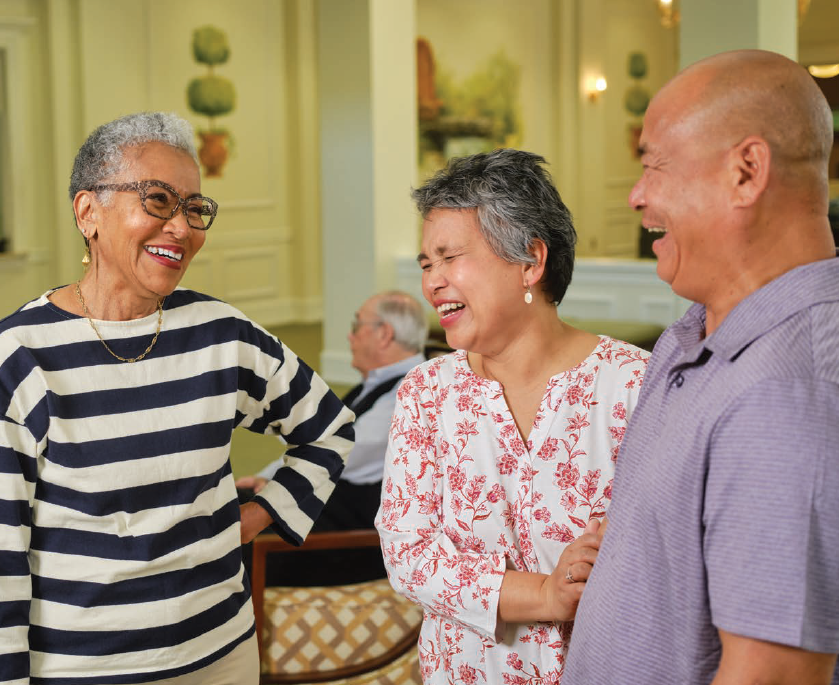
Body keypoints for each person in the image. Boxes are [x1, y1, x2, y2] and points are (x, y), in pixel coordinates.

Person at [0, 112, 354, 684]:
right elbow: (2, 556)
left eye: (194, 208)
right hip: (82, 669)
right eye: (158, 200)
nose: (182, 227)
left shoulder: (222, 333)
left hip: (222, 653)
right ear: (88, 212)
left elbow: (328, 428)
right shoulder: (21, 356)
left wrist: (253, 518)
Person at [564, 50, 839, 685]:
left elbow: (774, 676)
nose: (636, 195)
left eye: (654, 165)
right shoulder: (695, 333)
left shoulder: (786, 391)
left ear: (747, 172)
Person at [375, 148, 650, 684]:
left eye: (450, 257)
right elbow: (408, 554)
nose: (432, 281)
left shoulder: (634, 384)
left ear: (531, 261)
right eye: (426, 264)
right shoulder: (427, 393)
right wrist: (544, 593)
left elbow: (662, 544)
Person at [236, 290, 427, 585]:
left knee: (234, 544)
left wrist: (280, 409)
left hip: (349, 544)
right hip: (324, 516)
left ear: (384, 334)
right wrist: (263, 480)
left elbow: (332, 451)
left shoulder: (408, 396)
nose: (349, 337)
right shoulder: (379, 386)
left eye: (356, 326)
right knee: (229, 502)